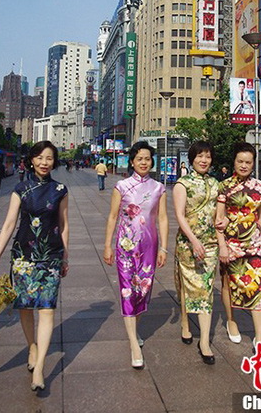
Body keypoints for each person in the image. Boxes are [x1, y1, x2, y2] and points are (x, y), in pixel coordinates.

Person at [0, 140, 69, 392]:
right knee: (25, 307)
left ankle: (40, 366)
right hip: (23, 256)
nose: (45, 162)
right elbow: (10, 223)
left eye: (50, 158)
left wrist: (66, 255)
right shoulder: (21, 189)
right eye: (40, 158)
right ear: (32, 160)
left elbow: (64, 225)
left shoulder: (61, 189)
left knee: (47, 309)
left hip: (50, 256)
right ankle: (31, 346)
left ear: (55, 162)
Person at [103, 141, 168, 369]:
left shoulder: (158, 188)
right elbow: (113, 217)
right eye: (139, 158)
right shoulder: (121, 187)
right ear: (132, 161)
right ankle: (133, 343)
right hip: (125, 247)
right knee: (128, 291)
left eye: (147, 158)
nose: (143, 162)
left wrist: (163, 248)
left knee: (143, 290)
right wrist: (108, 246)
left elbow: (162, 219)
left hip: (149, 248)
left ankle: (135, 330)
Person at [216, 142, 261, 349]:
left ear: (253, 163)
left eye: (248, 162)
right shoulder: (225, 186)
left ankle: (260, 336)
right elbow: (219, 218)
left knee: (258, 287)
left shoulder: (259, 186)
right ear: (234, 162)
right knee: (228, 283)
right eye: (240, 161)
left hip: (254, 243)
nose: (244, 165)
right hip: (231, 243)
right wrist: (222, 246)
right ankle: (231, 320)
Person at [173, 140, 219, 365]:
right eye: (200, 156)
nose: (204, 160)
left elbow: (220, 213)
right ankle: (184, 322)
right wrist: (193, 241)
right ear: (191, 158)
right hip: (188, 244)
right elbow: (180, 216)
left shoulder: (215, 182)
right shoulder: (182, 184)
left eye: (208, 156)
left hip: (211, 244)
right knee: (188, 285)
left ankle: (204, 342)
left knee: (205, 289)